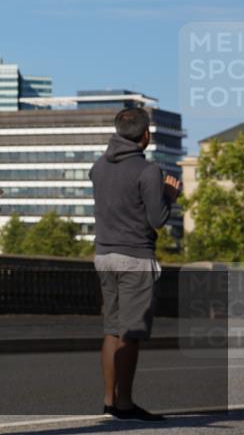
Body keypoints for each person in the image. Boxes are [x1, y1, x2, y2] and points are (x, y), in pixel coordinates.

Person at [90, 106, 181, 422]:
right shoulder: (148, 171)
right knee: (130, 331)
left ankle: (108, 401)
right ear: (146, 135)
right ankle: (125, 403)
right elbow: (157, 220)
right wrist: (169, 194)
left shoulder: (98, 166)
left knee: (112, 329)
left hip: (104, 255)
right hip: (136, 257)